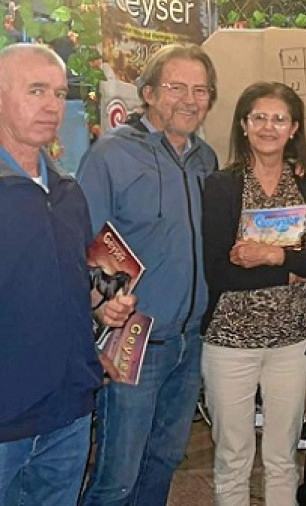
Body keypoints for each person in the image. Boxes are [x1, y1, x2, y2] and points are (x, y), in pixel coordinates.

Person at [77, 44, 220, 505]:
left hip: (189, 340)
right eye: (177, 87)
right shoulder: (110, 155)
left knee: (163, 461)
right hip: (132, 339)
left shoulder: (207, 160)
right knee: (118, 474)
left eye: (201, 90)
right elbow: (83, 246)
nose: (190, 99)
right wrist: (102, 311)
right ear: (149, 93)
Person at [0, 43, 134, 506]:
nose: (52, 105)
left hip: (69, 414)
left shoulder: (68, 192)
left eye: (59, 93)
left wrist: (102, 308)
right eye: (36, 90)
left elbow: (71, 286)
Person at [200, 81, 306, 505]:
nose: (268, 126)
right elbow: (217, 273)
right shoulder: (221, 186)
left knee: (283, 457)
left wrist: (271, 256)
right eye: (258, 117)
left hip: (295, 343)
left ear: (293, 128)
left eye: (279, 118)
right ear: (243, 125)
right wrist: (291, 273)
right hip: (229, 342)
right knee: (232, 456)